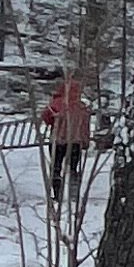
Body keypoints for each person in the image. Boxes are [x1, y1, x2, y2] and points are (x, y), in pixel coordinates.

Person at [40, 68, 93, 210]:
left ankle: (57, 194)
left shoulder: (56, 104)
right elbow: (85, 126)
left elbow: (46, 117)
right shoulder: (82, 107)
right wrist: (85, 141)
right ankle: (74, 194)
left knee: (56, 167)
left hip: (58, 141)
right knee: (73, 168)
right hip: (75, 142)